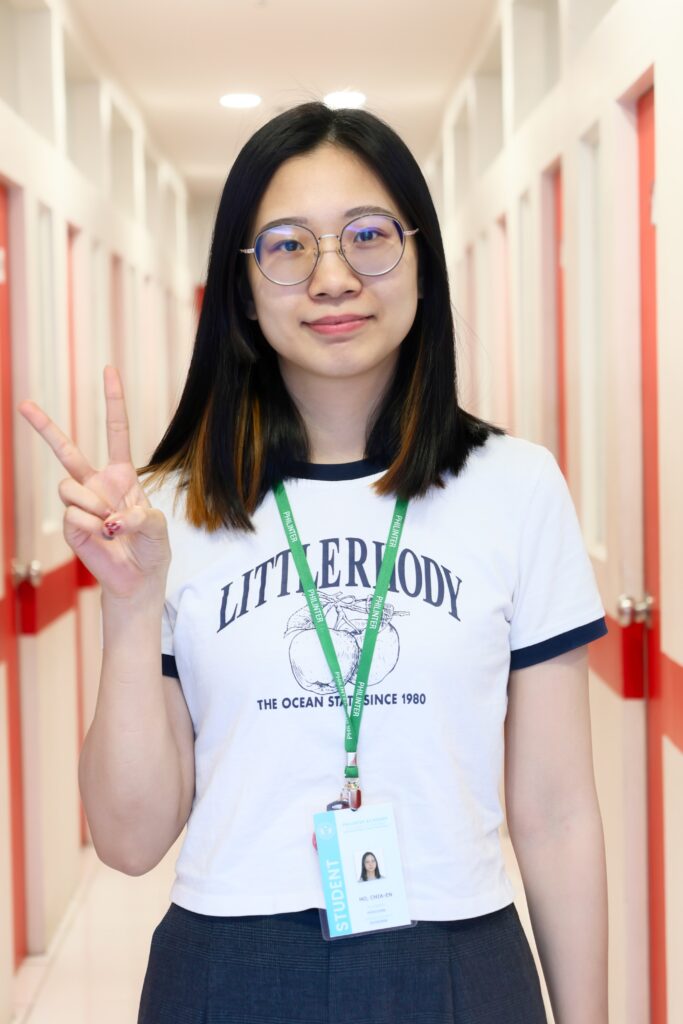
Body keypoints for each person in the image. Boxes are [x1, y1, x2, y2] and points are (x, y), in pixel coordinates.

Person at [19, 102, 609, 1024]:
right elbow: (129, 843)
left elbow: (558, 813)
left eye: (368, 236)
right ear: (243, 286)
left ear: (421, 260)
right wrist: (130, 608)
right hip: (227, 968)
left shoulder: (516, 486)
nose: (334, 278)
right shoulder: (168, 509)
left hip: (458, 960)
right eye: (288, 246)